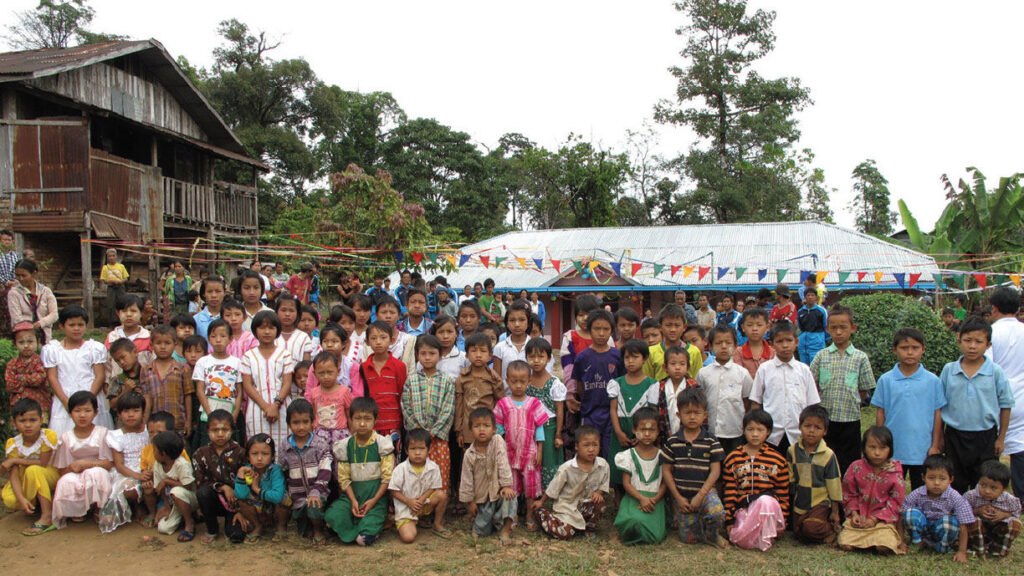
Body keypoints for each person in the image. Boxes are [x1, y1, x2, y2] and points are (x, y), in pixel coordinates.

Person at [940, 317, 1015, 493]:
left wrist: (1001, 438)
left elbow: (1006, 405)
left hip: (985, 437)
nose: (972, 346)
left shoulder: (995, 372)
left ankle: (980, 519)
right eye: (967, 341)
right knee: (955, 482)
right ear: (959, 340)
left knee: (983, 483)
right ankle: (959, 518)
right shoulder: (949, 370)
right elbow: (939, 406)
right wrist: (940, 438)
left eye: (978, 342)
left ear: (988, 345)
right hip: (954, 436)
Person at [871, 327, 945, 489]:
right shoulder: (886, 380)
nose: (910, 352)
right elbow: (881, 412)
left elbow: (937, 413)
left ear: (923, 350)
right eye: (904, 348)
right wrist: (880, 443)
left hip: (922, 449)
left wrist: (935, 444)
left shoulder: (933, 381)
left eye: (915, 348)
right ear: (895, 350)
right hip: (894, 449)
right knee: (890, 490)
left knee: (923, 491)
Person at [809, 305, 875, 474]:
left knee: (849, 462)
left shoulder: (860, 357)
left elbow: (864, 389)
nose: (838, 332)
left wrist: (855, 402)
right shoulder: (821, 356)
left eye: (843, 327)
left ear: (853, 328)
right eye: (834, 328)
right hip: (826, 420)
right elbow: (811, 383)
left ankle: (847, 496)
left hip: (851, 419)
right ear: (827, 329)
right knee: (826, 459)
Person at [660, 388, 726, 547]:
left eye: (697, 413)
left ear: (705, 415)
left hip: (705, 493)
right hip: (682, 496)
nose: (692, 417)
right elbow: (666, 471)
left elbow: (715, 471)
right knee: (689, 539)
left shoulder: (711, 440)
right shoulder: (673, 441)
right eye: (687, 412)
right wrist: (678, 498)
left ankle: (713, 534)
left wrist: (701, 495)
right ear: (678, 415)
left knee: (716, 512)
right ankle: (697, 523)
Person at [325, 397, 395, 546]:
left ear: (375, 420)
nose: (362, 423)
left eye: (367, 419)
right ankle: (357, 521)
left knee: (363, 540)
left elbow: (387, 478)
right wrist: (353, 501)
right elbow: (344, 479)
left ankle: (372, 525)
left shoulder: (382, 443)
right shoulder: (345, 445)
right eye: (357, 418)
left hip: (375, 498)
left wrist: (374, 501)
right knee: (331, 516)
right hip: (353, 496)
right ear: (350, 419)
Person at [721, 409, 790, 551]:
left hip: (768, 511)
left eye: (760, 429)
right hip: (744, 509)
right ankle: (751, 536)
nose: (755, 434)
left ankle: (766, 533)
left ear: (768, 431)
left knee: (765, 501)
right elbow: (730, 491)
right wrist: (729, 520)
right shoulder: (733, 458)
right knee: (738, 536)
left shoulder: (777, 459)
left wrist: (783, 520)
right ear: (743, 430)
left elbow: (782, 493)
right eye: (750, 429)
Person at [494, 360, 549, 531]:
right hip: (509, 452)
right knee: (512, 485)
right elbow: (499, 431)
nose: (518, 385)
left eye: (522, 381)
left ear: (529, 381)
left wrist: (539, 450)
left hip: (530, 452)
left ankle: (530, 516)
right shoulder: (503, 404)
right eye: (514, 381)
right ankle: (513, 515)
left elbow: (539, 428)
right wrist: (500, 452)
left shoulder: (534, 403)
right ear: (507, 381)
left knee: (531, 486)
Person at [749, 322, 819, 455]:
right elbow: (755, 403)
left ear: (796, 341)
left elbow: (812, 404)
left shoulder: (804, 370)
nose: (785, 345)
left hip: (798, 434)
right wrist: (757, 429)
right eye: (780, 341)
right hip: (772, 434)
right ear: (772, 344)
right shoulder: (764, 369)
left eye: (789, 340)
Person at [533, 425, 610, 540]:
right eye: (586, 445)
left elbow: (604, 485)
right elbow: (554, 488)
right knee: (565, 533)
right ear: (577, 447)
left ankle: (589, 528)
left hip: (586, 506)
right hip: (567, 507)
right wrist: (541, 502)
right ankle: (543, 515)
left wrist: (599, 493)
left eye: (595, 445)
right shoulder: (567, 468)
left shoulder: (603, 465)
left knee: (600, 504)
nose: (591, 449)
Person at [43, 306, 110, 435]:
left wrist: (89, 400)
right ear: (62, 326)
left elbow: (99, 376)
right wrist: (66, 402)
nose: (76, 328)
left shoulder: (94, 348)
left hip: (91, 394)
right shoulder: (52, 350)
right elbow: (52, 377)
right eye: (71, 325)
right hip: (65, 396)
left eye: (80, 324)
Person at [838, 426, 906, 554]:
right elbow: (848, 493)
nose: (877, 453)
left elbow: (897, 501)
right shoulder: (856, 467)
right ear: (864, 448)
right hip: (859, 521)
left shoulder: (894, 472)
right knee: (845, 543)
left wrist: (875, 519)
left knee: (884, 545)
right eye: (872, 447)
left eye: (882, 448)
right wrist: (854, 514)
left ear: (890, 449)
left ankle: (878, 541)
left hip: (882, 522)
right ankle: (864, 541)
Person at [51, 391, 113, 528]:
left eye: (87, 411)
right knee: (66, 481)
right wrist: (73, 468)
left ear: (95, 413)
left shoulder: (102, 433)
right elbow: (63, 469)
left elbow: (109, 463)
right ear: (70, 414)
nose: (82, 415)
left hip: (99, 470)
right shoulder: (66, 437)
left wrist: (87, 464)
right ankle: (77, 510)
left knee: (95, 473)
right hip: (76, 473)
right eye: (77, 411)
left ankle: (98, 507)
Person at [401, 334, 455, 492]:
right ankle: (418, 506)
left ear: (440, 355)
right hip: (417, 438)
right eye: (423, 353)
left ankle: (437, 504)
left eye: (432, 353)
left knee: (439, 473)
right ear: (417, 355)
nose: (427, 357)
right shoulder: (411, 380)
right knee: (417, 473)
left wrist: (434, 431)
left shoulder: (446, 381)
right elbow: (406, 406)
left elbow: (448, 409)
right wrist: (418, 430)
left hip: (438, 438)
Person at [898, 454, 976, 563]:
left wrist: (962, 551)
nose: (936, 483)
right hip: (924, 530)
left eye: (942, 478)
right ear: (923, 477)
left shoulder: (955, 497)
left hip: (942, 531)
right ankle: (918, 543)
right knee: (911, 514)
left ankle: (942, 547)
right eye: (931, 478)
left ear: (951, 479)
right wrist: (901, 542)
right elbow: (901, 517)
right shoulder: (917, 493)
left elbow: (964, 524)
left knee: (949, 523)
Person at [275, 399, 331, 544]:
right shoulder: (285, 446)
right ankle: (287, 526)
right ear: (289, 424)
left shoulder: (320, 445)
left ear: (312, 422)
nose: (301, 427)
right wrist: (283, 491)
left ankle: (318, 531)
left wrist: (316, 491)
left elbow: (325, 471)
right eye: (296, 422)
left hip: (318, 494)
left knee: (314, 506)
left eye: (305, 422)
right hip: (296, 497)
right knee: (303, 530)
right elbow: (281, 469)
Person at [985, 287, 1024, 498]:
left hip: (997, 397)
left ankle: (992, 490)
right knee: (1020, 445)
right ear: (1018, 308)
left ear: (994, 308)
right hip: (1022, 397)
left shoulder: (991, 333)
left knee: (994, 445)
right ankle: (1021, 495)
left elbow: (987, 367)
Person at [2, 398, 60, 535]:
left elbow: (43, 463)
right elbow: (14, 474)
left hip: (50, 474)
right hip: (26, 478)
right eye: (22, 421)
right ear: (14, 423)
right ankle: (37, 503)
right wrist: (21, 499)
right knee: (10, 499)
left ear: (41, 419)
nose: (28, 425)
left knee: (34, 470)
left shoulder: (47, 436)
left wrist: (16, 460)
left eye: (32, 420)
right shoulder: (13, 443)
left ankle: (47, 517)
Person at [459, 407, 517, 543]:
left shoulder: (497, 441)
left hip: (499, 492)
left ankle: (505, 529)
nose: (482, 429)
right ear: (471, 430)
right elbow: (466, 479)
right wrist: (470, 502)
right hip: (482, 499)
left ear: (494, 429)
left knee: (510, 497)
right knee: (481, 530)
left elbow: (503, 463)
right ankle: (492, 522)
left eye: (486, 425)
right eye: (477, 426)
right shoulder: (469, 454)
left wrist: (506, 485)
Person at [787, 404, 842, 544]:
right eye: (807, 426)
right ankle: (814, 530)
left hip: (820, 503)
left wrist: (835, 511)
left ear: (825, 431)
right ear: (800, 427)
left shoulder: (828, 455)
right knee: (798, 533)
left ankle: (831, 529)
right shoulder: (792, 451)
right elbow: (790, 480)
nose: (812, 431)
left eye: (817, 428)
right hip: (800, 503)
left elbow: (834, 483)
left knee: (810, 529)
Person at [607, 340, 659, 487]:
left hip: (642, 429)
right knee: (618, 465)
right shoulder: (616, 383)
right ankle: (618, 501)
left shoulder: (652, 384)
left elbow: (653, 412)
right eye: (627, 358)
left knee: (638, 465)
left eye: (635, 357)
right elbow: (613, 409)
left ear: (645, 359)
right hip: (620, 429)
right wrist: (618, 432)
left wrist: (642, 433)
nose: (630, 361)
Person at [571, 309, 622, 459]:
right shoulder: (582, 357)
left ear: (612, 331)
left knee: (609, 451)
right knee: (590, 451)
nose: (601, 333)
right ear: (589, 329)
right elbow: (579, 386)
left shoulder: (617, 355)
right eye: (597, 329)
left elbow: (622, 382)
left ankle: (610, 482)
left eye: (606, 329)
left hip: (612, 414)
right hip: (590, 413)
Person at [613, 406, 666, 545]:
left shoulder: (663, 456)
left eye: (652, 430)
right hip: (634, 498)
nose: (647, 434)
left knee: (655, 535)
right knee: (633, 521)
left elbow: (665, 483)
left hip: (655, 501)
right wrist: (642, 499)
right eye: (643, 430)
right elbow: (626, 483)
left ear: (658, 431)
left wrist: (653, 500)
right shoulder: (628, 456)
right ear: (634, 430)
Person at [241, 310, 294, 448]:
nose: (266, 332)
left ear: (277, 330)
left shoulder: (285, 355)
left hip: (281, 407)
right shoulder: (248, 356)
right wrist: (266, 407)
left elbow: (287, 382)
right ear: (255, 330)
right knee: (259, 445)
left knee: (283, 445)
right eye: (262, 327)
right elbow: (247, 385)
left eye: (271, 328)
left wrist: (275, 405)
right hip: (257, 408)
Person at [697, 325, 753, 455]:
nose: (723, 346)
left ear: (735, 345)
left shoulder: (742, 374)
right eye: (718, 343)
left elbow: (746, 401)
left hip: (734, 430)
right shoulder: (703, 373)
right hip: (710, 430)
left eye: (728, 342)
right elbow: (700, 399)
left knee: (733, 463)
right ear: (710, 346)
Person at [99, 391, 150, 533]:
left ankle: (147, 508)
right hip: (126, 471)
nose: (131, 415)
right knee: (128, 489)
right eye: (126, 411)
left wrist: (145, 472)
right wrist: (137, 476)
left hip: (146, 468)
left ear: (143, 412)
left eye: (135, 410)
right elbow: (119, 465)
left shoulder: (148, 431)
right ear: (119, 414)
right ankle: (136, 507)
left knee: (149, 484)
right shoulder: (115, 436)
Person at [193, 409, 246, 544]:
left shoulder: (240, 453)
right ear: (207, 431)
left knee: (236, 536)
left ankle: (234, 520)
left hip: (235, 502)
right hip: (213, 500)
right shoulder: (200, 454)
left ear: (232, 430)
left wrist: (242, 509)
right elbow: (200, 481)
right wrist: (222, 487)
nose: (220, 434)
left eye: (225, 430)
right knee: (203, 492)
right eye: (215, 430)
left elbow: (247, 482)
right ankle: (212, 528)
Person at [389, 428, 450, 542]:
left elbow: (433, 487)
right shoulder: (400, 469)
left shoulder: (433, 467)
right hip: (406, 507)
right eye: (413, 449)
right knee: (408, 537)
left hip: (424, 503)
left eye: (421, 448)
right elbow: (393, 490)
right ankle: (398, 520)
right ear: (406, 450)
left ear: (429, 449)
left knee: (441, 495)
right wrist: (409, 502)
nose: (417, 453)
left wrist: (421, 500)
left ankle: (437, 524)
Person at [192, 319, 242, 448]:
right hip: (208, 411)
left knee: (230, 446)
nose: (218, 340)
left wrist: (235, 413)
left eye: (223, 336)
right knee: (206, 445)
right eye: (214, 336)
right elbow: (200, 389)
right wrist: (209, 413)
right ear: (208, 338)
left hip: (229, 411)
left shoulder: (237, 362)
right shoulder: (203, 362)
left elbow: (239, 390)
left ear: (230, 339)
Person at [525, 337, 566, 488]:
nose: (536, 360)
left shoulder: (554, 383)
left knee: (549, 462)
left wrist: (558, 434)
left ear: (549, 358)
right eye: (532, 356)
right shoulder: (525, 382)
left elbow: (559, 411)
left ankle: (549, 494)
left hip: (549, 429)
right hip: (529, 430)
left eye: (541, 356)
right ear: (526, 358)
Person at [141, 325, 193, 437]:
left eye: (167, 343)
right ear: (151, 345)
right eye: (158, 343)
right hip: (155, 425)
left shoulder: (183, 368)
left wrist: (188, 421)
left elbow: (188, 396)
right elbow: (146, 398)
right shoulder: (146, 369)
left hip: (177, 423)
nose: (163, 347)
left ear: (175, 345)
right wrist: (144, 422)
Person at [232, 433, 285, 543]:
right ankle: (257, 526)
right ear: (248, 456)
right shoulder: (246, 470)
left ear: (272, 456)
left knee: (285, 498)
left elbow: (278, 497)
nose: (259, 458)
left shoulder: (275, 470)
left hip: (273, 506)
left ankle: (281, 526)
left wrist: (256, 489)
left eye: (265, 454)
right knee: (242, 501)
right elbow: (241, 495)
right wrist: (241, 476)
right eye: (254, 454)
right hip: (257, 508)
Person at [963, 460, 1022, 557]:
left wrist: (1005, 515)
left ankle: (998, 549)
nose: (987, 491)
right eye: (983, 485)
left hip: (998, 529)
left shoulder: (1010, 500)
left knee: (1016, 524)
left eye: (993, 488)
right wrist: (977, 511)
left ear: (1004, 488)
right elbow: (961, 513)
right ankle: (977, 548)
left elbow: (1017, 513)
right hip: (978, 531)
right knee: (972, 520)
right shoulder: (971, 496)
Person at [149, 430, 196, 540]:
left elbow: (188, 486)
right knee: (163, 528)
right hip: (173, 503)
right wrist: (166, 507)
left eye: (154, 450)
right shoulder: (157, 465)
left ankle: (189, 524)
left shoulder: (182, 464)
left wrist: (167, 481)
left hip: (190, 499)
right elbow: (160, 490)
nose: (153, 453)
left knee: (176, 491)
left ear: (163, 454)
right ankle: (183, 518)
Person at [645, 304, 703, 382]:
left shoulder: (694, 352)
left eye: (677, 325)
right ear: (660, 327)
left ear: (684, 327)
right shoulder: (651, 352)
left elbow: (697, 382)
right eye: (668, 325)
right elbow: (647, 382)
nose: (673, 329)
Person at [6, 323, 49, 424]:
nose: (26, 346)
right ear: (15, 343)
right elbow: (10, 385)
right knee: (18, 434)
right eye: (21, 342)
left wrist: (20, 378)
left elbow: (38, 379)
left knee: (41, 433)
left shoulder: (40, 361)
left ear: (38, 342)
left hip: (40, 404)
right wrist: (29, 380)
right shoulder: (12, 363)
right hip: (18, 406)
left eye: (30, 341)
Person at [306, 351, 353, 444]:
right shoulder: (313, 393)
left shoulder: (344, 391)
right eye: (321, 373)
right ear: (315, 374)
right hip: (319, 435)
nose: (326, 376)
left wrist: (353, 435)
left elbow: (349, 416)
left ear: (338, 371)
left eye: (330, 372)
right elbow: (312, 415)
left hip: (340, 434)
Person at [7, 259, 58, 342]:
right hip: (24, 337)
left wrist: (40, 323)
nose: (20, 279)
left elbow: (54, 314)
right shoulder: (14, 293)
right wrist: (30, 327)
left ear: (34, 273)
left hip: (46, 335)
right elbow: (16, 318)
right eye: (17, 275)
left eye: (24, 275)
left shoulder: (45, 291)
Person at [492, 299, 532, 384]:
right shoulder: (500, 348)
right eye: (512, 320)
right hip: (506, 396)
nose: (517, 324)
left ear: (528, 322)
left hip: (531, 396)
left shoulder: (535, 347)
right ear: (507, 323)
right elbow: (497, 380)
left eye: (522, 320)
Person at [374, 296, 415, 374]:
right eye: (383, 312)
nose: (388, 316)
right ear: (377, 315)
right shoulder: (369, 340)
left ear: (399, 316)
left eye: (392, 313)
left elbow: (411, 370)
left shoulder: (408, 340)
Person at [732, 307, 774, 380]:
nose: (754, 328)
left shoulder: (773, 353)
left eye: (759, 325)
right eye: (750, 325)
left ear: (767, 327)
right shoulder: (738, 353)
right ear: (743, 327)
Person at [275, 294, 313, 365]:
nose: (287, 314)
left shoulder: (303, 338)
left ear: (298, 314)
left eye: (291, 311)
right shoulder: (272, 336)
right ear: (276, 312)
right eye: (283, 310)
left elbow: (306, 366)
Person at [430, 315, 467, 380]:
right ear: (434, 334)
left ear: (456, 334)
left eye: (449, 332)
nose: (445, 336)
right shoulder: (427, 357)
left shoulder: (464, 358)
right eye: (441, 332)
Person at [99, 248, 129, 326]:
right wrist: (111, 281)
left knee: (121, 303)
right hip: (111, 287)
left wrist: (120, 281)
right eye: (109, 256)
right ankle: (112, 322)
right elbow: (104, 280)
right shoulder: (105, 267)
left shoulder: (121, 266)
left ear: (116, 257)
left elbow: (125, 278)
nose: (111, 257)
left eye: (113, 256)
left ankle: (122, 320)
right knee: (111, 304)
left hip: (120, 287)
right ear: (107, 257)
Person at [0, 230, 21, 337]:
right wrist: (6, 282)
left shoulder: (16, 256)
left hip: (15, 288)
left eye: (9, 240)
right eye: (4, 239)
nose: (7, 242)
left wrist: (16, 281)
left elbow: (21, 270)